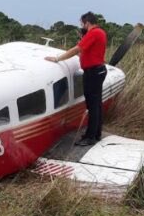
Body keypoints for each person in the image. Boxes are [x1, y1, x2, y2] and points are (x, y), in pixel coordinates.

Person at [45, 12, 107, 146]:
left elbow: (77, 49)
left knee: (92, 105)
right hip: (98, 71)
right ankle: (96, 133)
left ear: (87, 23)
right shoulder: (100, 32)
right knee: (96, 104)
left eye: (82, 24)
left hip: (93, 73)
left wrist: (57, 59)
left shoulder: (93, 33)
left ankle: (90, 137)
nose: (82, 26)